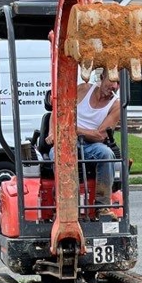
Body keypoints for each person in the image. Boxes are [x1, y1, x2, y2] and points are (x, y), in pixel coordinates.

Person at [46, 74, 121, 221]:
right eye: (112, 80)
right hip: (65, 141)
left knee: (106, 153)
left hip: (92, 145)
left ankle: (102, 207)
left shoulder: (116, 105)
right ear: (102, 77)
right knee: (59, 155)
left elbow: (100, 135)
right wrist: (52, 132)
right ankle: (64, 206)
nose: (115, 86)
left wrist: (72, 128)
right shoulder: (83, 90)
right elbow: (57, 110)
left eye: (118, 83)